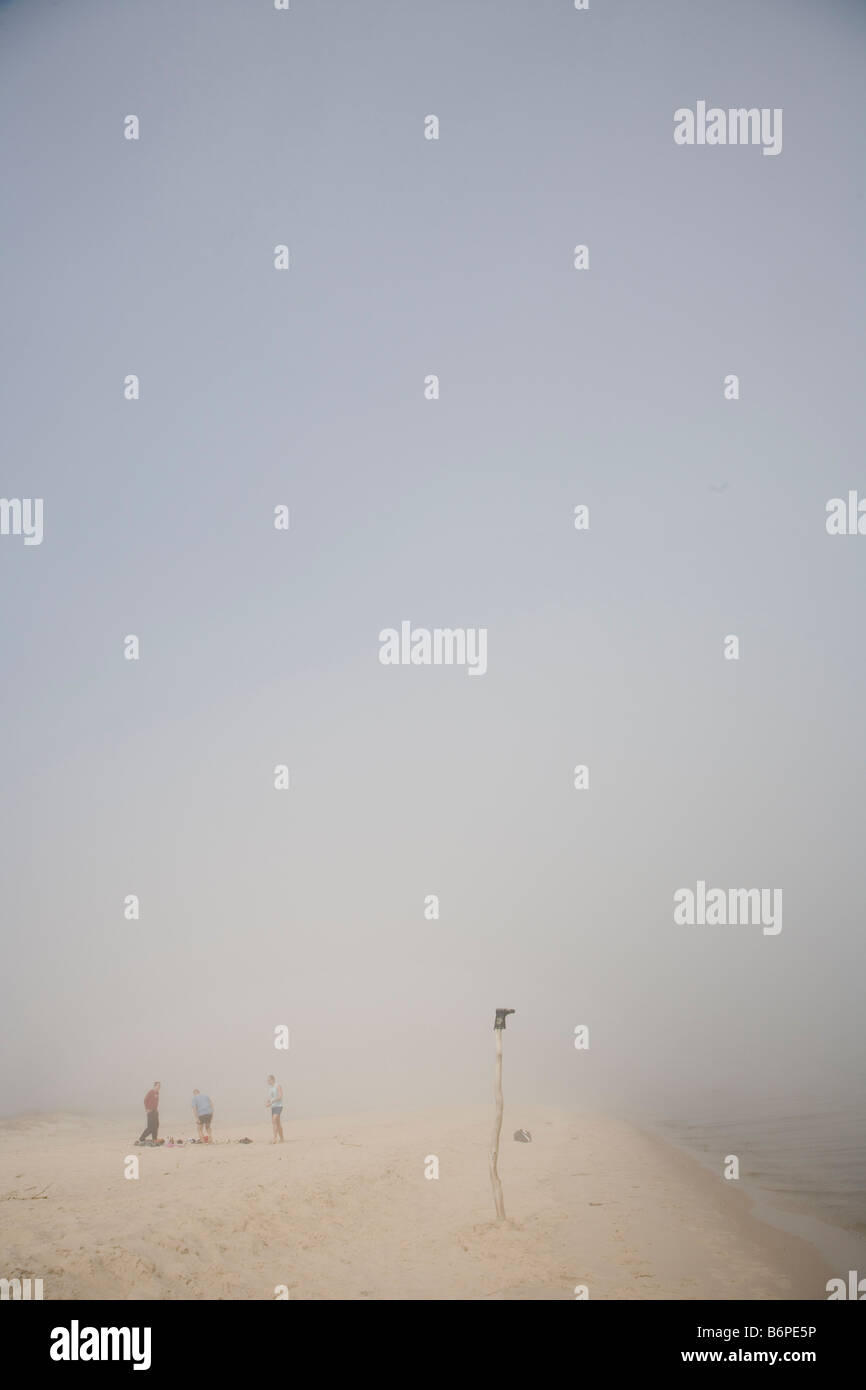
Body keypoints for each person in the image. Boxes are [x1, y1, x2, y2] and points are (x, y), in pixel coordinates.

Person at [265, 1075, 284, 1143]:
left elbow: (280, 1096)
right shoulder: (270, 1088)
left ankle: (275, 1138)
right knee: (277, 1123)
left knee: (274, 1120)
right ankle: (282, 1138)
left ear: (273, 1079)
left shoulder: (278, 1085)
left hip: (279, 1106)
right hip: (273, 1107)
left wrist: (272, 1102)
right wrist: (268, 1102)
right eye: (267, 1080)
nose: (268, 1082)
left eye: (269, 1080)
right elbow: (270, 1098)